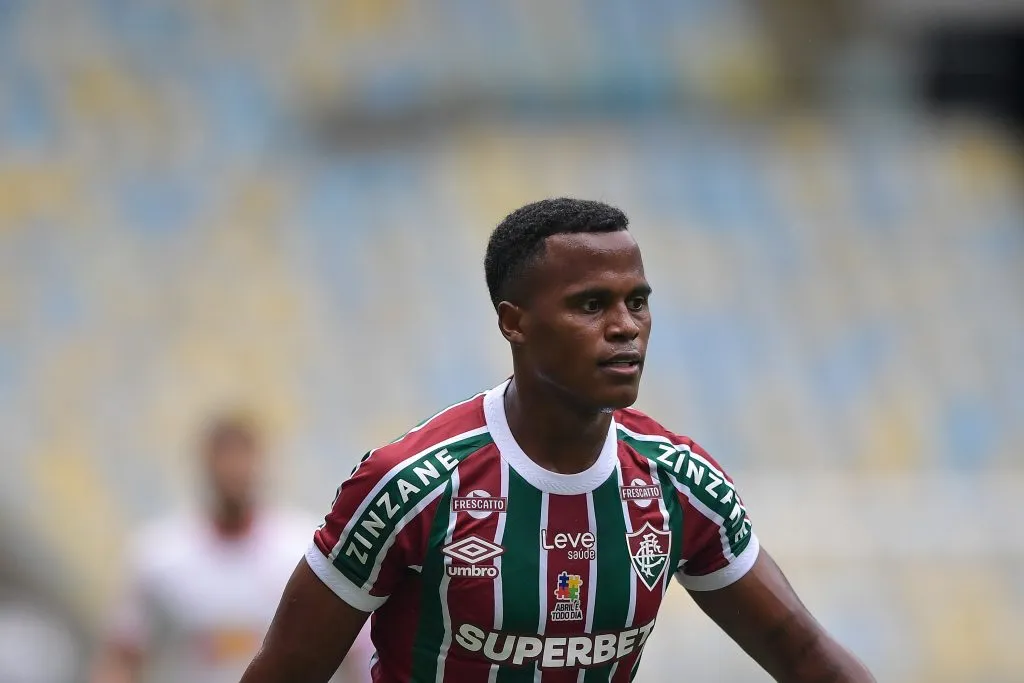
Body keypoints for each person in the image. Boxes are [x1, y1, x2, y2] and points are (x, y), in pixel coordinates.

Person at [239, 198, 875, 682]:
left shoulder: (679, 481)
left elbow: (803, 651)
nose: (626, 327)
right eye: (592, 304)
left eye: (638, 301)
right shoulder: (412, 484)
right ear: (514, 323)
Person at [92, 414, 372, 683]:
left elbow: (357, 653)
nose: (233, 469)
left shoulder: (307, 551)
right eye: (223, 456)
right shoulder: (158, 556)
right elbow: (122, 659)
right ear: (204, 464)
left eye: (242, 456)